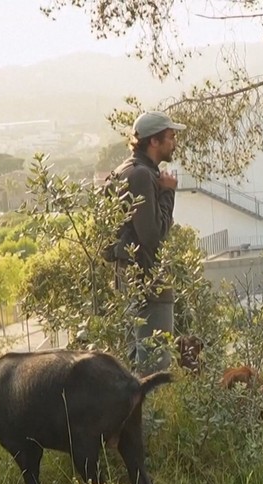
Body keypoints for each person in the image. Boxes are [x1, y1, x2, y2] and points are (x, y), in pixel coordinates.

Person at [107, 110, 185, 375]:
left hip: (128, 278)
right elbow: (152, 236)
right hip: (148, 282)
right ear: (154, 141)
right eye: (171, 137)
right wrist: (168, 193)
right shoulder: (142, 176)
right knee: (154, 367)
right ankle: (149, 417)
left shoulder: (123, 171)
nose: (174, 143)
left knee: (132, 364)